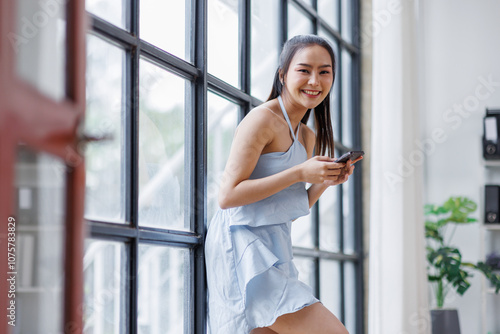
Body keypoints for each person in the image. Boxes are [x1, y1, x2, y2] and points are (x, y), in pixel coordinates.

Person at [205, 34, 362, 334]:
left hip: (274, 248)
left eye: (324, 71)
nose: (315, 80)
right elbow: (227, 196)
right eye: (304, 70)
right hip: (243, 248)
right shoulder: (261, 120)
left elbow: (286, 204)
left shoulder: (307, 136)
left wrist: (325, 181)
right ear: (282, 75)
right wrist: (300, 173)